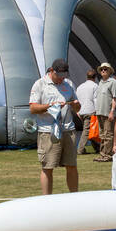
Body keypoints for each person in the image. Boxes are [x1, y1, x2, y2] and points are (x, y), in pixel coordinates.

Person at [27, 58, 80, 195]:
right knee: (48, 167)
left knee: (72, 165)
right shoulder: (40, 84)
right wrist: (50, 106)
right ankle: (47, 199)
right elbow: (33, 108)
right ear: (51, 71)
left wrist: (75, 104)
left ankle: (75, 197)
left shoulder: (68, 84)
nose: (61, 79)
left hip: (68, 130)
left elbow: (78, 107)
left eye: (64, 76)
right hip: (48, 132)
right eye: (59, 76)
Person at [93, 62, 116, 162]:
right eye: (102, 69)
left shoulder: (113, 82)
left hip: (108, 112)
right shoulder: (100, 82)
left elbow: (115, 98)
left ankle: (107, 155)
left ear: (109, 71)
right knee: (102, 134)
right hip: (99, 112)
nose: (103, 70)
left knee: (108, 134)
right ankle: (102, 154)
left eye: (105, 69)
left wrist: (112, 111)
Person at [75, 67, 99, 155]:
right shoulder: (95, 86)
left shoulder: (80, 86)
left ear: (86, 77)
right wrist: (97, 111)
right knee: (87, 131)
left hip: (81, 111)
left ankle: (97, 147)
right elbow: (96, 99)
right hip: (90, 110)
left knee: (90, 130)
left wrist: (77, 111)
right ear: (95, 77)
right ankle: (80, 149)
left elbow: (77, 100)